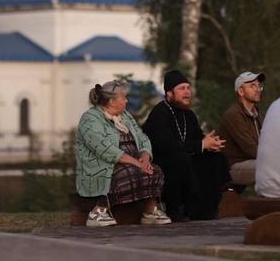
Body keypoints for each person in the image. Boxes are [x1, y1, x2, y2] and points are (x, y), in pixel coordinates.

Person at [74, 80, 171, 227]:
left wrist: (145, 157)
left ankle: (150, 211)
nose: (126, 100)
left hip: (132, 162)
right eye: (123, 97)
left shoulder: (125, 116)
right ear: (112, 101)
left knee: (155, 170)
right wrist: (136, 163)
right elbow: (105, 149)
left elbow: (141, 137)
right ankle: (98, 212)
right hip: (103, 165)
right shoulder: (90, 119)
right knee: (127, 173)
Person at [142, 69, 231, 221]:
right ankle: (174, 210)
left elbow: (197, 138)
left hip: (184, 156)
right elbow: (167, 146)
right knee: (180, 159)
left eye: (188, 88)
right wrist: (201, 144)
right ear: (169, 93)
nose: (187, 92)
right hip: (162, 161)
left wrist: (210, 143)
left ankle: (205, 210)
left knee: (215, 157)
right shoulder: (160, 113)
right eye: (182, 89)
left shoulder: (188, 114)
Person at [218, 71, 265, 187]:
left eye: (259, 85)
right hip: (232, 168)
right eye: (252, 86)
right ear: (241, 91)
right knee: (274, 167)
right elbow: (250, 148)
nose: (257, 89)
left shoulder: (256, 114)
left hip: (251, 162)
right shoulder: (233, 115)